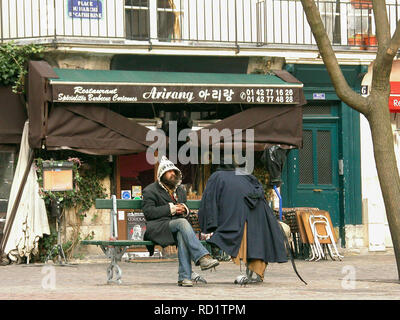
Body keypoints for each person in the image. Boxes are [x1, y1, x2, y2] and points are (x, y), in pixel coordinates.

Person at [198, 156, 289, 284]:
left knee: (245, 240)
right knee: (257, 242)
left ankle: (254, 273)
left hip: (238, 214)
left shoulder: (217, 176)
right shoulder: (244, 174)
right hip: (259, 212)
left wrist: (209, 224)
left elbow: (209, 201)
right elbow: (259, 190)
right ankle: (256, 273)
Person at [142, 156, 219, 287]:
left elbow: (185, 208)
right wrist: (170, 209)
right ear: (161, 174)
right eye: (169, 172)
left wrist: (185, 209)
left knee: (181, 233)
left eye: (175, 171)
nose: (173, 174)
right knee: (182, 223)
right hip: (158, 228)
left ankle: (184, 277)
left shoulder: (180, 190)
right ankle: (202, 257)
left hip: (177, 227)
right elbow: (149, 213)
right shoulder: (150, 190)